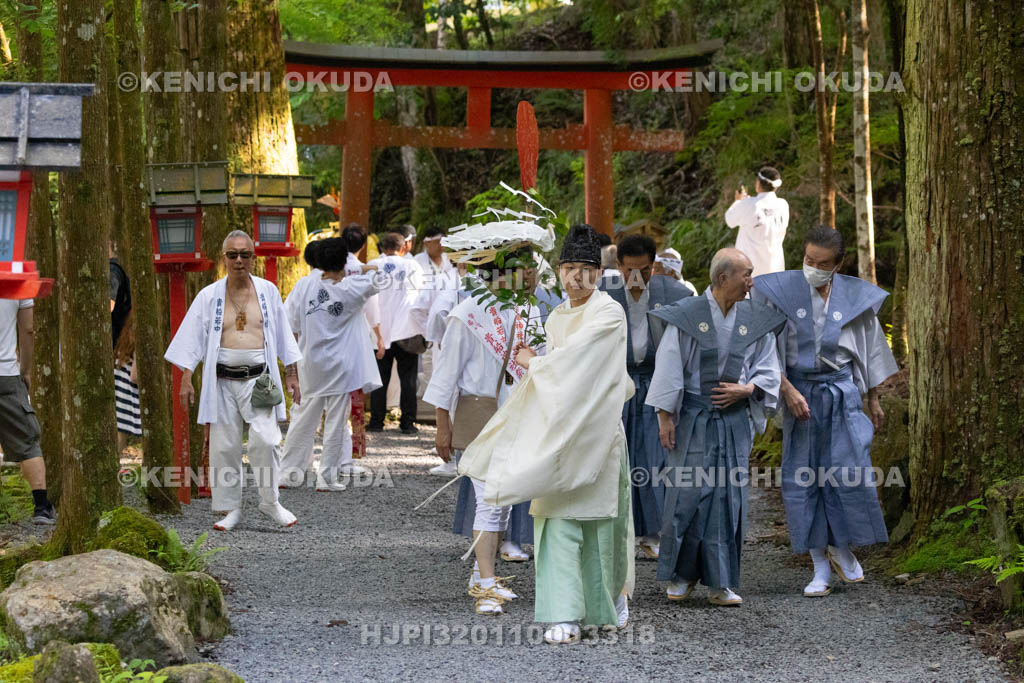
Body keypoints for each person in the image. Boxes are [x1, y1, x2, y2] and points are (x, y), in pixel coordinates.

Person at [459, 224, 635, 644]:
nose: (575, 277)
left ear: (598, 273)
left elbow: (575, 367)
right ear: (558, 271)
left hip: (597, 435)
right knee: (555, 526)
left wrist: (534, 362)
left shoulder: (608, 313)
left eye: (585, 269)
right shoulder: (556, 315)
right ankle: (565, 613)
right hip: (557, 435)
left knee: (600, 526)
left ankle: (610, 601)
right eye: (568, 267)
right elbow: (556, 368)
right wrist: (535, 361)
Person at [752, 226, 898, 597]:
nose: (812, 268)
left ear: (838, 265)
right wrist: (786, 389)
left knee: (850, 473)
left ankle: (842, 547)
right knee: (805, 480)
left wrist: (874, 398)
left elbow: (870, 350)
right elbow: (765, 348)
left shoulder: (853, 299)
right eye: (807, 260)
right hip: (800, 394)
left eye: (821, 264)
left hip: (842, 392)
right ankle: (819, 564)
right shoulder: (781, 294)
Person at [646, 248, 784, 606]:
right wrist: (664, 417)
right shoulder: (688, 316)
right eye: (746, 274)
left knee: (727, 498)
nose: (752, 281)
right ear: (724, 279)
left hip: (734, 419)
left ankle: (721, 582)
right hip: (692, 416)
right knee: (687, 495)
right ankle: (681, 576)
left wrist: (749, 388)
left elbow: (769, 368)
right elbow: (669, 366)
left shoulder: (756, 318)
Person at [425, 240, 543, 615]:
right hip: (481, 413)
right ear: (504, 271)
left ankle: (481, 573)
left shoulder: (529, 309)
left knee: (504, 500)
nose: (534, 274)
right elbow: (447, 374)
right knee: (490, 499)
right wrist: (442, 427)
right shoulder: (467, 312)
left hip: (520, 412)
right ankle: (487, 586)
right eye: (526, 267)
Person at [165, 230, 302, 532]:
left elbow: (282, 336)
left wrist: (292, 375)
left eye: (245, 254)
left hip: (260, 381)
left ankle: (270, 501)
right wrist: (186, 379)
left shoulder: (268, 292)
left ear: (254, 257)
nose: (239, 260)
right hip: (222, 381)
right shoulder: (209, 296)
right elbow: (194, 339)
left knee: (266, 440)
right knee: (224, 447)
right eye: (232, 254)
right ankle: (231, 508)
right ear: (224, 258)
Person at [600, 234, 692, 560]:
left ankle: (656, 533)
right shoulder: (603, 296)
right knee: (619, 458)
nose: (635, 278)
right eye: (628, 271)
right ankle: (620, 533)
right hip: (618, 385)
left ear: (655, 267)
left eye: (643, 270)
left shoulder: (678, 295)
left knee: (658, 459)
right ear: (618, 268)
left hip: (657, 383)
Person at [280, 238, 381, 491]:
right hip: (341, 366)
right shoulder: (352, 288)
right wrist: (352, 270)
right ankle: (326, 478)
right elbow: (377, 274)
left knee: (302, 419)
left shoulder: (303, 286)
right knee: (336, 422)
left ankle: (288, 474)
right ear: (344, 261)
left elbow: (289, 326)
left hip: (310, 363)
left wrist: (289, 368)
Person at [0, 297, 55, 524]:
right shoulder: (18, 280)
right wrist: (26, 369)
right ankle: (41, 506)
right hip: (6, 373)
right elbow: (28, 329)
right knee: (27, 439)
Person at [367, 232, 426, 434]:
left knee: (379, 378)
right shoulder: (413, 266)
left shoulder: (373, 266)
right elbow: (421, 297)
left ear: (383, 248)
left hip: (379, 332)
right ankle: (408, 423)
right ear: (403, 249)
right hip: (406, 330)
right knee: (408, 380)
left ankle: (376, 421)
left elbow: (367, 299)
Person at [724, 166, 790, 277]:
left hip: (749, 272)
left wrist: (738, 201)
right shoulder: (783, 205)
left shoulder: (747, 204)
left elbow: (729, 220)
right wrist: (746, 202)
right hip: (775, 270)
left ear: (758, 184)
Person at [114, 311, 142, 456]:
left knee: (120, 437)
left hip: (120, 395)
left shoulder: (122, 349)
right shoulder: (132, 350)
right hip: (125, 396)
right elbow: (135, 377)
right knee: (120, 437)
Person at [109, 244, 131, 348]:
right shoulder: (117, 269)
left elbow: (109, 305)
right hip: (119, 330)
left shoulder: (113, 270)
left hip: (116, 331)